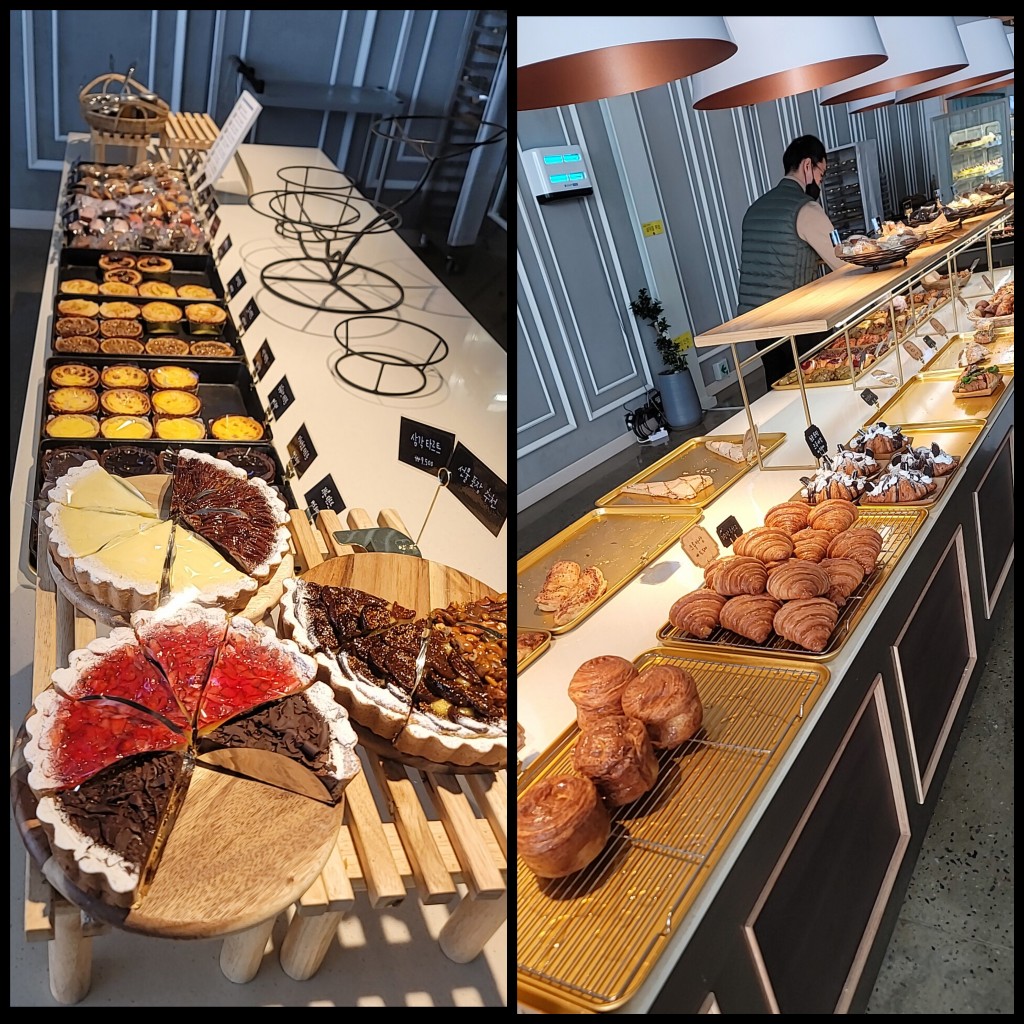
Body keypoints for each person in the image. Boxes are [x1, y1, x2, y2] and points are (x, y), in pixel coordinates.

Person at [736, 134, 848, 387]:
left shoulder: (755, 209)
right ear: (808, 165)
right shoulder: (806, 208)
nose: (820, 183)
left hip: (759, 323)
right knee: (820, 384)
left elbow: (774, 259)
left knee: (779, 387)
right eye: (822, 174)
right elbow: (843, 261)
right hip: (797, 322)